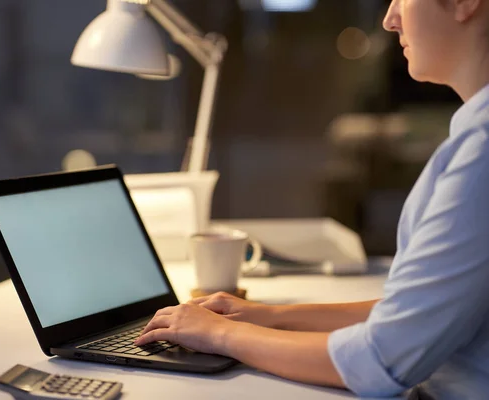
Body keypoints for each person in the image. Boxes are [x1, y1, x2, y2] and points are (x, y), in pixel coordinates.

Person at [134, 0, 489, 398]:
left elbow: (380, 358)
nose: (390, 20)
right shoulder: (474, 137)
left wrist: (223, 335)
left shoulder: (482, 154)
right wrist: (268, 317)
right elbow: (411, 315)